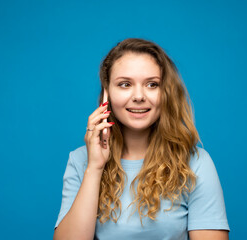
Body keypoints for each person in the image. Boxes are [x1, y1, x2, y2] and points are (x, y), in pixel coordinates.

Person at [53, 38, 230, 240]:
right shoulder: (80, 161)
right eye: (125, 84)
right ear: (106, 94)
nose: (139, 96)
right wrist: (94, 168)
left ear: (166, 93)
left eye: (152, 84)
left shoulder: (196, 163)